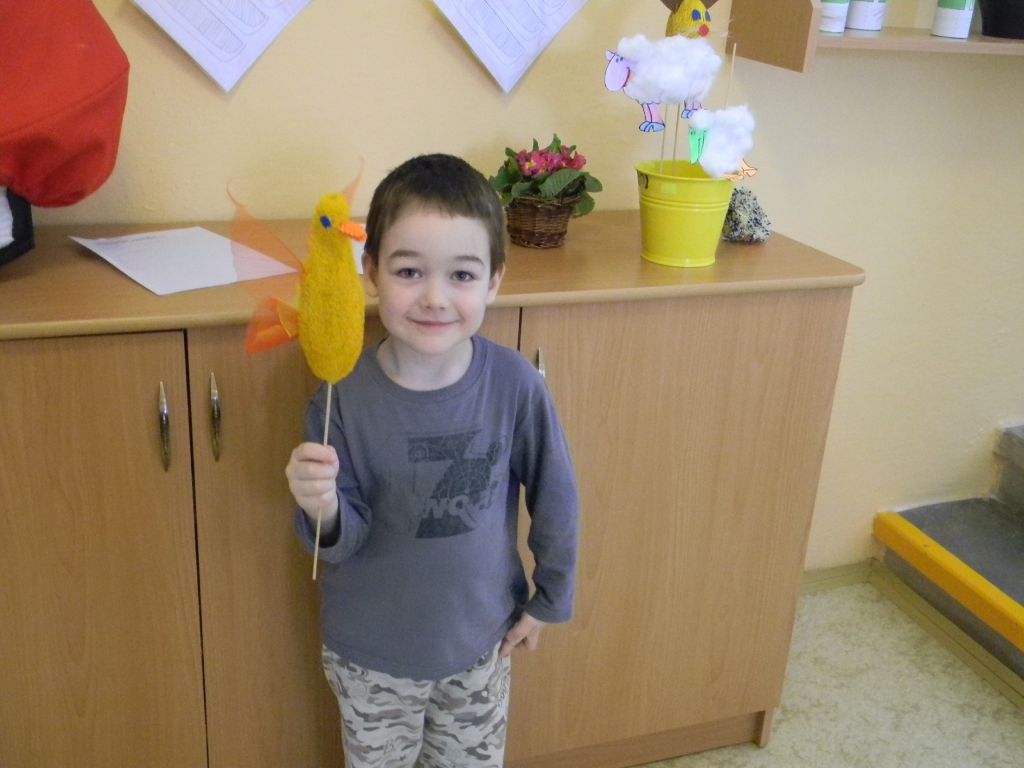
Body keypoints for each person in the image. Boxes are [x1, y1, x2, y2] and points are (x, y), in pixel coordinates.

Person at [285, 153, 579, 767]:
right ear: (371, 271)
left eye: (462, 275)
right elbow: (339, 544)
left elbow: (555, 495)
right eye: (410, 271)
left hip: (480, 646)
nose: (435, 298)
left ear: (494, 280)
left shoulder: (514, 385)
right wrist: (324, 507)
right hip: (370, 659)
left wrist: (550, 598)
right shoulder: (340, 400)